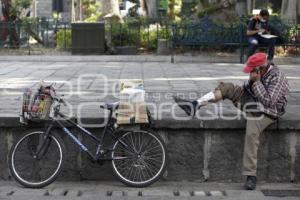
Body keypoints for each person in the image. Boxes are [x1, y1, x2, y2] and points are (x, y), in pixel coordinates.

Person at [174, 53, 289, 190]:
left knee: (252, 131)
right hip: (253, 102)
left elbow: (269, 102)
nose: (250, 73)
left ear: (260, 69)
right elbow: (247, 89)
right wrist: (227, 90)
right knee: (227, 87)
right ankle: (194, 105)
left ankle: (250, 175)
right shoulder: (256, 72)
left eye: (252, 71)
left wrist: (257, 81)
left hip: (268, 112)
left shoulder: (278, 77)